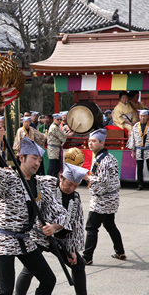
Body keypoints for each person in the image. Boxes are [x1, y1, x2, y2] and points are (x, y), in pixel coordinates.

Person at [0, 134, 70, 295]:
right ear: (21, 157)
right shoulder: (9, 176)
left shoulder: (40, 185)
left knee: (48, 280)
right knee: (5, 291)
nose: (37, 163)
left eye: (39, 160)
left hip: (26, 238)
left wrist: (53, 226)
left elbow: (62, 213)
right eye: (33, 158)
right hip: (5, 239)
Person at [15, 162, 88, 295]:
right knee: (29, 269)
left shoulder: (75, 198)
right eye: (69, 184)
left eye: (75, 186)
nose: (71, 188)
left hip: (59, 239)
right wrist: (14, 172)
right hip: (39, 235)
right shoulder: (46, 182)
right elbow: (27, 177)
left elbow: (76, 224)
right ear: (61, 177)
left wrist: (72, 249)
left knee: (78, 264)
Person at [82, 129, 126, 265]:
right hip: (109, 198)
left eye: (94, 141)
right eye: (89, 141)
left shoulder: (105, 160)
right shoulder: (105, 156)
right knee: (109, 225)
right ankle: (120, 251)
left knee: (91, 227)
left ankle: (87, 257)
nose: (90, 144)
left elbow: (103, 182)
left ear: (102, 142)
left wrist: (87, 177)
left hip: (103, 199)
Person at [126, 110, 149, 191]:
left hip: (148, 149)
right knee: (139, 168)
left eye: (144, 116)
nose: (143, 118)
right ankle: (140, 184)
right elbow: (132, 138)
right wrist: (133, 151)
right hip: (139, 150)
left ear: (147, 117)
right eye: (141, 116)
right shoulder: (136, 126)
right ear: (139, 117)